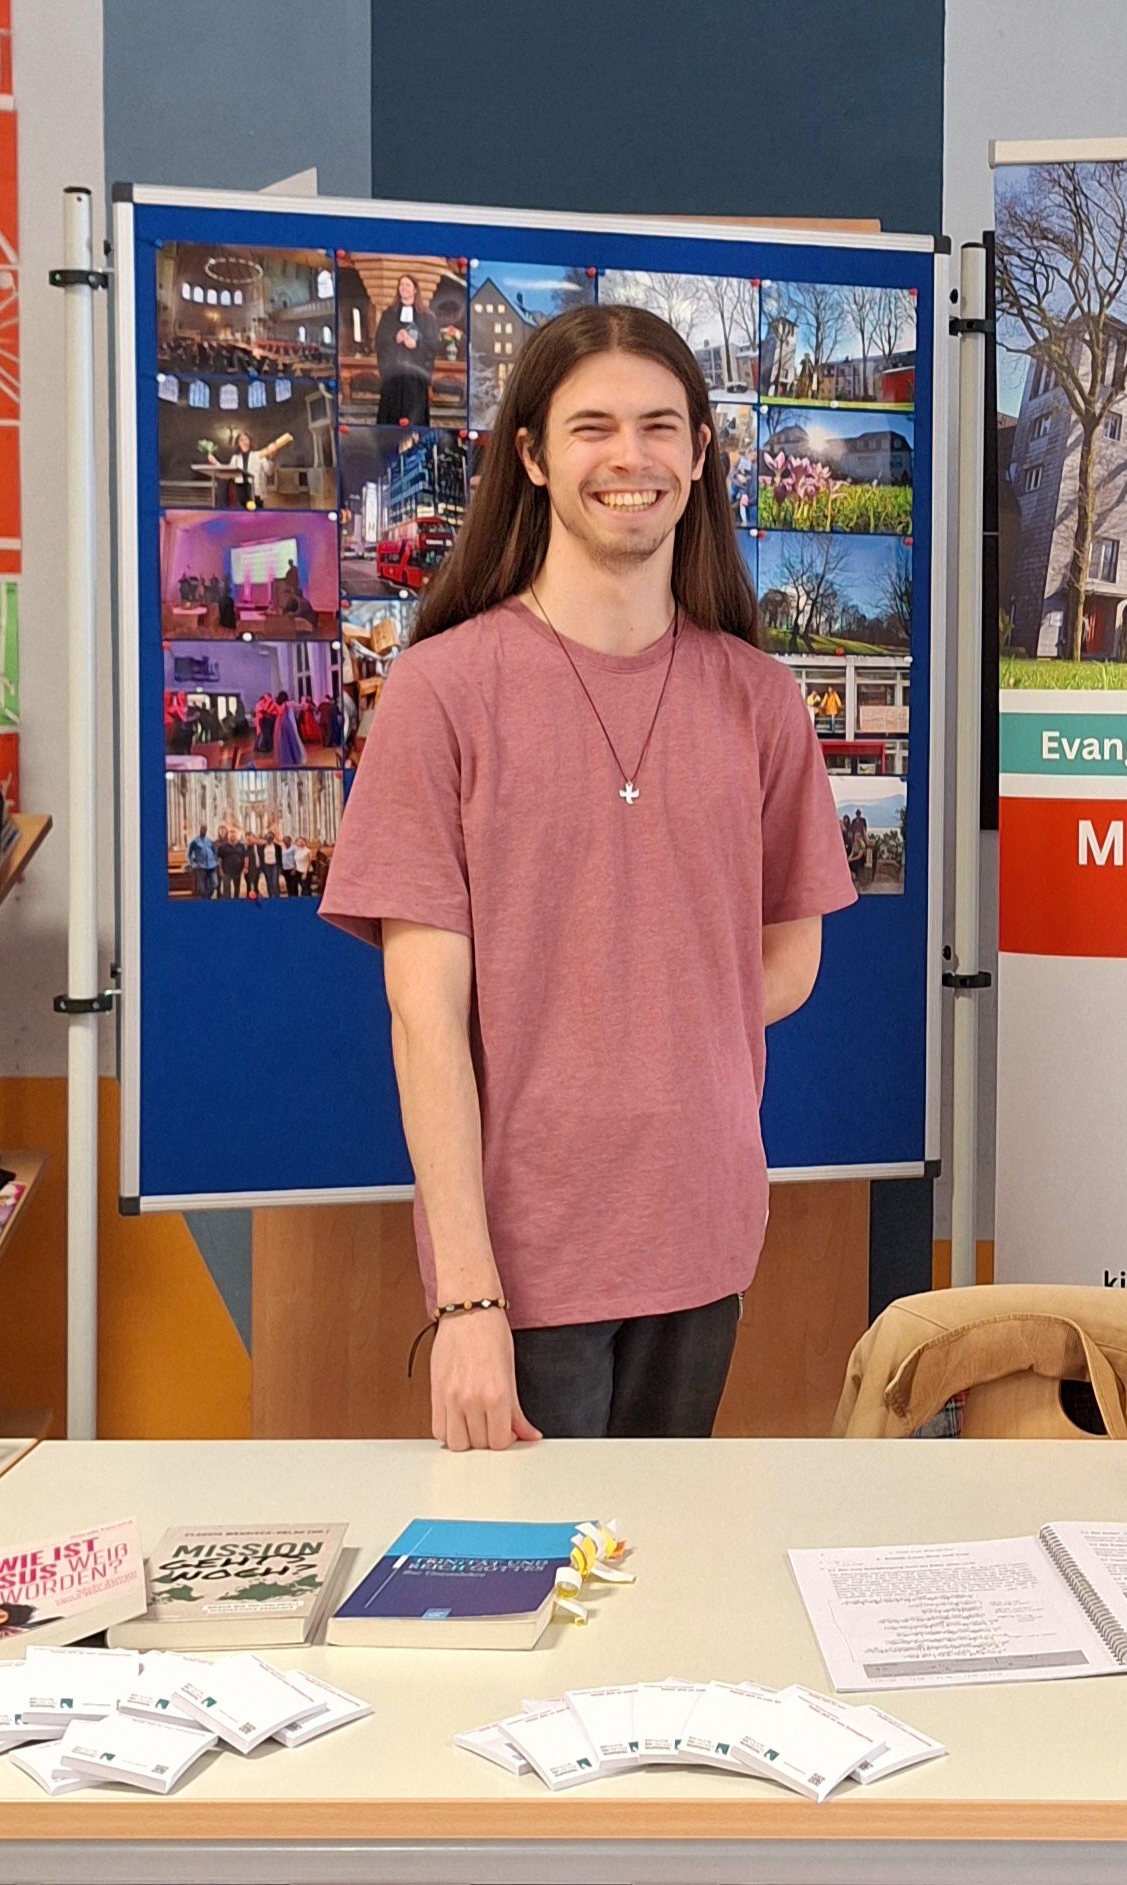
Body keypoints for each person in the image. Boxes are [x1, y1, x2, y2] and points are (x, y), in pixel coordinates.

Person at [320, 303, 855, 1450]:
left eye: (662, 426)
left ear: (702, 452)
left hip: (706, 1233)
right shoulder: (441, 692)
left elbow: (792, 958)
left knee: (650, 1589)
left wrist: (645, 1030)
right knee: (528, 1597)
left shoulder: (759, 701)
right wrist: (465, 1295)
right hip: (521, 1258)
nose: (631, 456)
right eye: (593, 426)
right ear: (531, 454)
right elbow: (423, 1019)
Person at [375, 273, 440, 427]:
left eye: (408, 285)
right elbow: (380, 342)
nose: (404, 288)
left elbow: (433, 345)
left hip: (415, 378)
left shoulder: (427, 317)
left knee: (415, 420)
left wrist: (416, 345)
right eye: (401, 285)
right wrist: (394, 338)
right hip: (393, 377)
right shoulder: (388, 315)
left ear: (415, 290)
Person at [273, 690, 307, 768]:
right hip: (288, 723)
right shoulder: (289, 703)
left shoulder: (278, 704)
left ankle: (285, 760)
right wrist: (303, 699)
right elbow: (301, 706)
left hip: (279, 724)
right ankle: (294, 759)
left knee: (282, 743)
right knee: (292, 741)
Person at [185, 827, 217, 900]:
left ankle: (207, 896)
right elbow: (189, 854)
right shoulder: (195, 841)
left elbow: (213, 851)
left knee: (215, 883)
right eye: (202, 829)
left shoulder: (209, 840)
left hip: (211, 865)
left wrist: (215, 860)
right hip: (201, 866)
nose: (203, 831)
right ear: (199, 830)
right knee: (201, 886)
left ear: (206, 831)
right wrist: (193, 864)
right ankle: (205, 899)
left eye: (205, 829)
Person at [258, 828, 282, 899]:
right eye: (268, 837)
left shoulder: (277, 846)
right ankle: (270, 896)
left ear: (273, 838)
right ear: (266, 838)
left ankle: (276, 897)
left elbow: (280, 857)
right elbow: (261, 856)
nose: (269, 839)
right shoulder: (262, 847)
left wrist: (280, 867)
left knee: (274, 881)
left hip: (275, 865)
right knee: (268, 881)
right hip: (266, 865)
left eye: (271, 837)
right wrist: (261, 867)